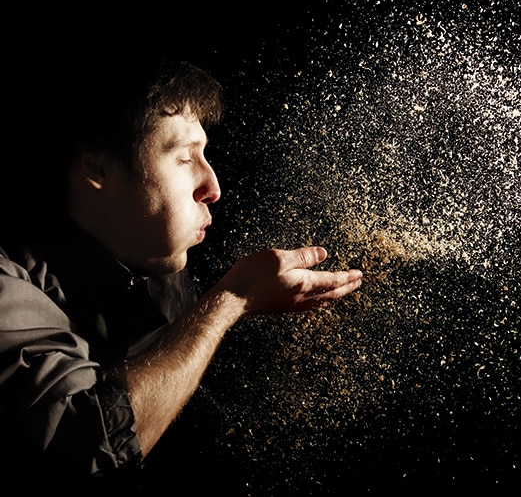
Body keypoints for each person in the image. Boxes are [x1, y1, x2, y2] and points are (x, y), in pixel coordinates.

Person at [0, 52, 362, 484]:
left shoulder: (158, 265)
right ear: (96, 167)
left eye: (204, 155)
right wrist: (232, 300)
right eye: (185, 158)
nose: (213, 187)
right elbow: (88, 446)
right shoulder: (8, 283)